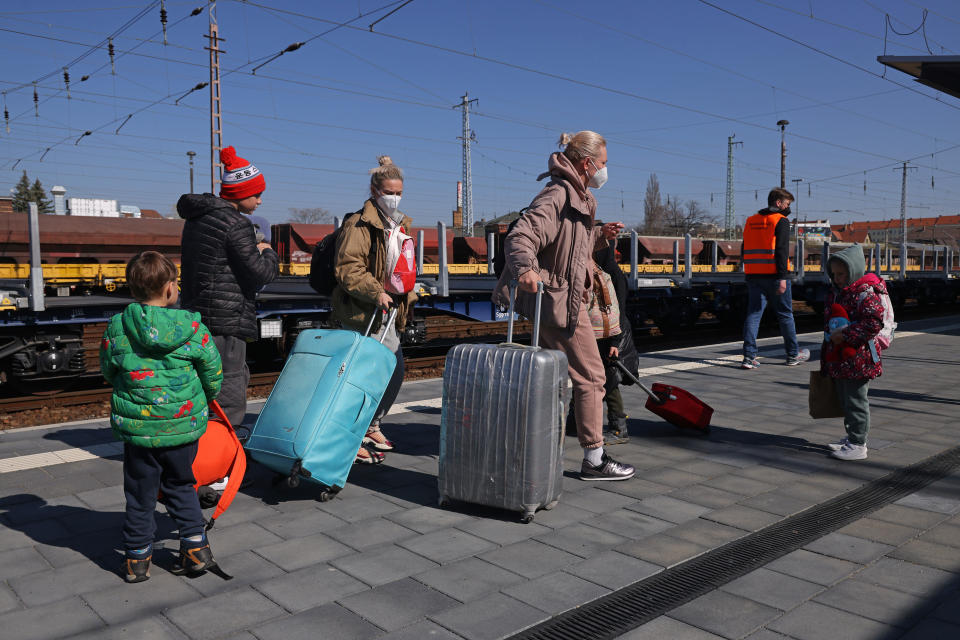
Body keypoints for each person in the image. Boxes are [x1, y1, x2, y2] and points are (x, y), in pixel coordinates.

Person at [495, 131, 635, 481]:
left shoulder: (578, 195)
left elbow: (571, 249)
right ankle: (594, 458)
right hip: (559, 303)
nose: (605, 170)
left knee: (556, 378)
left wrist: (600, 236)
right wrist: (525, 269)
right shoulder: (559, 194)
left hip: (559, 299)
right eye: (603, 163)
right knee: (592, 376)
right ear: (587, 164)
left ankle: (536, 446)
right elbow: (521, 235)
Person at [99, 251, 223, 583]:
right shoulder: (193, 327)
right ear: (170, 289)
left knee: (140, 493)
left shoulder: (118, 326)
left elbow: (109, 370)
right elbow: (213, 373)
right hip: (183, 430)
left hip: (139, 431)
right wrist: (201, 403)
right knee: (181, 484)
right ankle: (197, 549)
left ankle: (137, 561)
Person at [177, 145, 279, 427]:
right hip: (227, 316)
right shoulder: (236, 224)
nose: (259, 201)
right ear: (240, 193)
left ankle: (197, 438)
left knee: (200, 382)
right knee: (229, 381)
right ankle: (225, 444)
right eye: (257, 194)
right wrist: (267, 251)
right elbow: (261, 274)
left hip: (197, 315)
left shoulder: (196, 219)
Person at [332, 156, 419, 464]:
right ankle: (349, 436)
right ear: (374, 190)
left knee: (388, 371)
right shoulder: (359, 224)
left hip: (388, 312)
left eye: (399, 192)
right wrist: (376, 291)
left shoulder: (398, 223)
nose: (394, 198)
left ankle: (370, 425)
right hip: (362, 312)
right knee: (362, 377)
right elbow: (347, 268)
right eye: (389, 192)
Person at [566, 244, 638, 446]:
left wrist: (615, 341)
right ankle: (575, 421)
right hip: (596, 332)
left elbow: (619, 311)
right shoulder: (595, 270)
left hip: (614, 333)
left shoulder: (612, 274)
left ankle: (619, 428)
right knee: (584, 374)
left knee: (608, 379)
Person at [822, 244, 886, 461]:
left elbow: (874, 323)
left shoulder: (865, 293)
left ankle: (858, 444)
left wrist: (846, 334)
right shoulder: (839, 292)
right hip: (842, 357)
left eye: (842, 274)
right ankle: (851, 437)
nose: (838, 278)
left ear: (854, 270)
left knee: (856, 400)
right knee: (846, 400)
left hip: (859, 358)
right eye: (834, 274)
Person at [741, 188, 810, 369]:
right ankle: (793, 355)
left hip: (753, 275)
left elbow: (744, 248)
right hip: (775, 276)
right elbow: (781, 251)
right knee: (785, 315)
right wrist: (782, 277)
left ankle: (748, 358)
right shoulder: (781, 221)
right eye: (787, 204)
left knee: (753, 315)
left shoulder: (751, 220)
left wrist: (749, 272)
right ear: (778, 203)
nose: (789, 208)